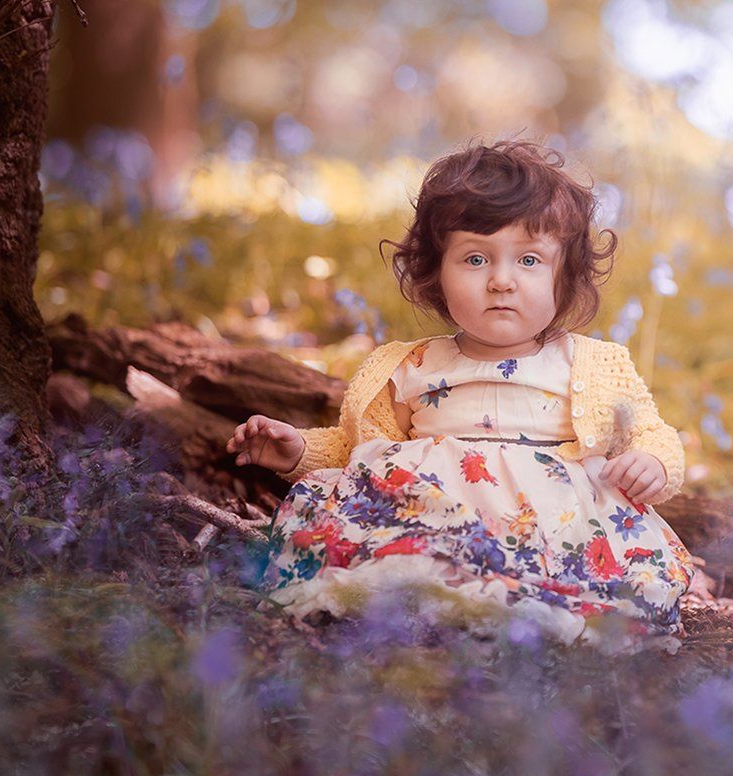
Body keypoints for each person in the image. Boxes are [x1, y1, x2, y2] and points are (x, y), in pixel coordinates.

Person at [225, 139, 695, 653]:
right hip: (433, 512)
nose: (501, 281)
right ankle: (424, 604)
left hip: (551, 530)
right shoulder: (408, 365)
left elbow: (650, 432)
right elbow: (357, 449)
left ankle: (531, 614)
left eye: (530, 260)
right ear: (435, 272)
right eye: (475, 258)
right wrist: (297, 451)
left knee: (591, 578)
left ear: (566, 276)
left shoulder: (591, 363)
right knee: (382, 539)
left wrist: (652, 462)